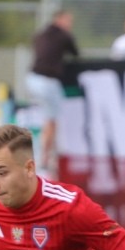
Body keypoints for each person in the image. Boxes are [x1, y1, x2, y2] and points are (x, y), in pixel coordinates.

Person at [26, 10, 79, 173]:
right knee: (51, 121)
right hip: (48, 82)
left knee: (45, 118)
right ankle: (44, 158)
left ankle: (44, 153)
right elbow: (75, 53)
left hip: (32, 79)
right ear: (61, 20)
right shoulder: (64, 36)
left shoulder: (40, 34)